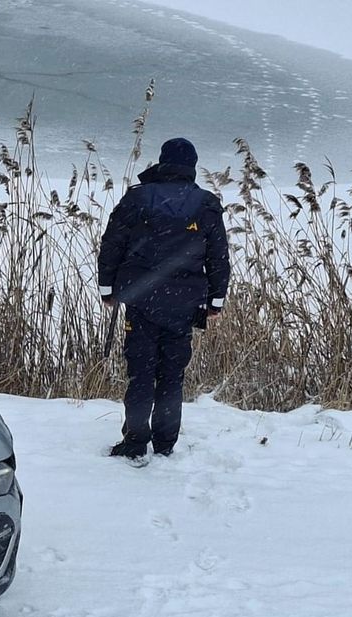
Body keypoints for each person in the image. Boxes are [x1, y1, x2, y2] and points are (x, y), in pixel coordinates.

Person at [97, 137, 230, 460]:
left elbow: (112, 243)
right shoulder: (206, 203)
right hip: (184, 304)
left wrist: (107, 289)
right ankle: (166, 442)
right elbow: (218, 256)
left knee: (140, 372)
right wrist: (215, 301)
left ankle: (135, 441)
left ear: (162, 161)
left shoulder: (138, 198)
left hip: (141, 301)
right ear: (192, 167)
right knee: (172, 375)